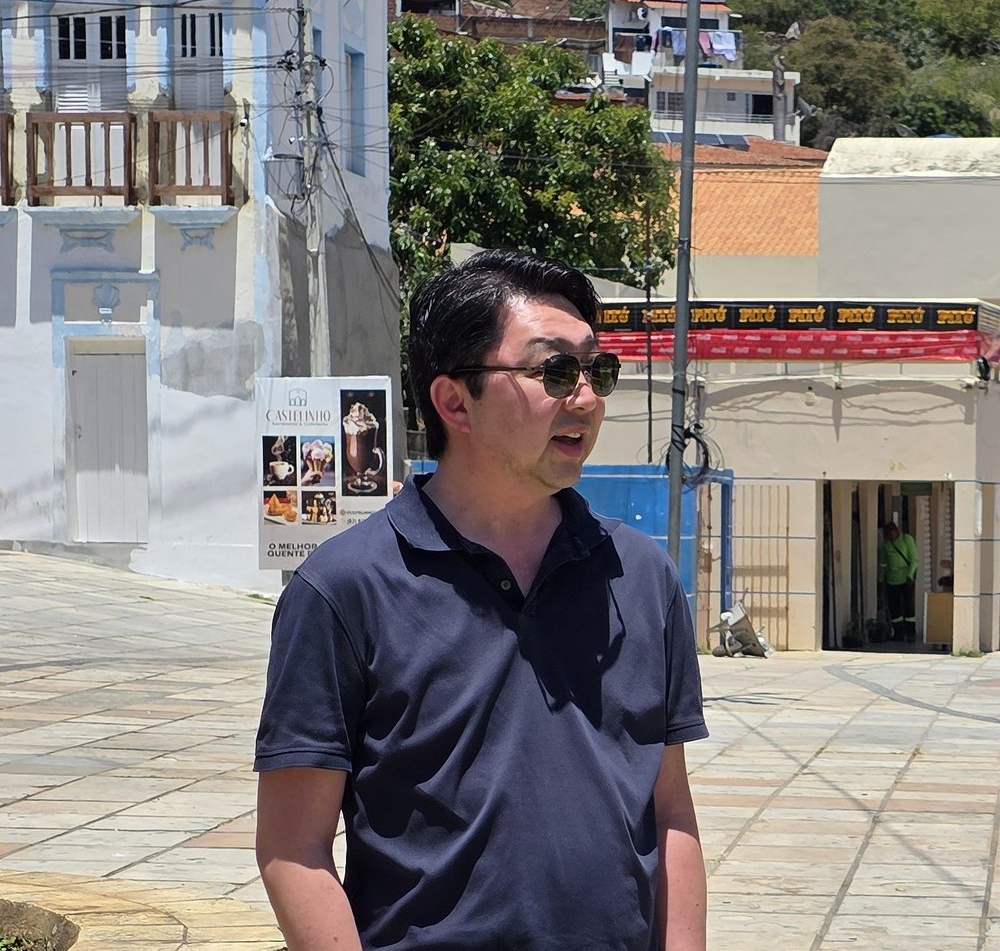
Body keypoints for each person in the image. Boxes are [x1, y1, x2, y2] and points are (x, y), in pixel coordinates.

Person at [254, 249, 708, 950]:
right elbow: (293, 849)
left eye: (597, 371)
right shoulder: (344, 590)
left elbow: (670, 810)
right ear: (454, 402)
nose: (585, 398)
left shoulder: (641, 576)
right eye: (554, 371)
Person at [879, 520, 918, 642]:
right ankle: (898, 633)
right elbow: (883, 563)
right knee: (894, 607)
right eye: (888, 533)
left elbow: (914, 560)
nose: (891, 535)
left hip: (906, 579)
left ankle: (911, 633)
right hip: (891, 580)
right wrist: (880, 579)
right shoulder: (886, 544)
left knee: (908, 606)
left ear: (897, 530)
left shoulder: (907, 540)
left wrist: (910, 576)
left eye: (893, 532)